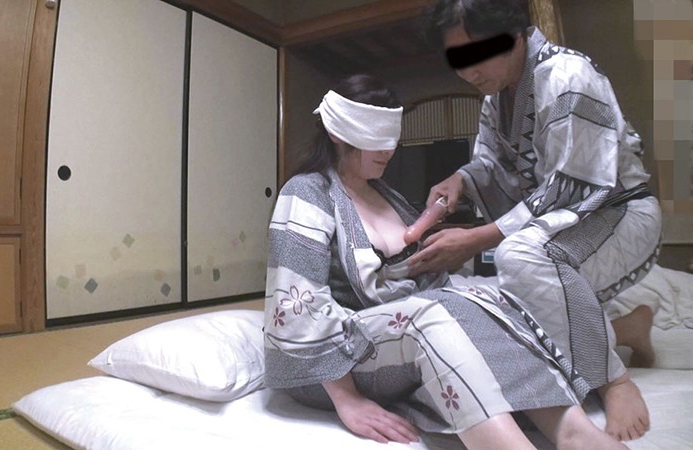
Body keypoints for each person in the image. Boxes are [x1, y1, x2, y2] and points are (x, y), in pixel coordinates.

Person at [264, 74, 627, 450]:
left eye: (392, 138)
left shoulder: (386, 195)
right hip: (333, 362)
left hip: (399, 340)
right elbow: (297, 303)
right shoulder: (307, 192)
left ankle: (575, 433)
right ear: (337, 133)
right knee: (437, 314)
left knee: (489, 300)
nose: (388, 150)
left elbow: (426, 284)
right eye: (375, 138)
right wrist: (348, 399)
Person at [413, 0, 662, 441]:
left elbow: (573, 186)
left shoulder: (567, 76)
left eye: (478, 53)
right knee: (498, 298)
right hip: (564, 225)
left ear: (514, 34)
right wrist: (460, 181)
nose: (469, 72)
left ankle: (615, 382)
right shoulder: (496, 99)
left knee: (518, 258)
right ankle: (627, 328)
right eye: (458, 60)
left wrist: (477, 239)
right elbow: (490, 164)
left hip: (619, 211)